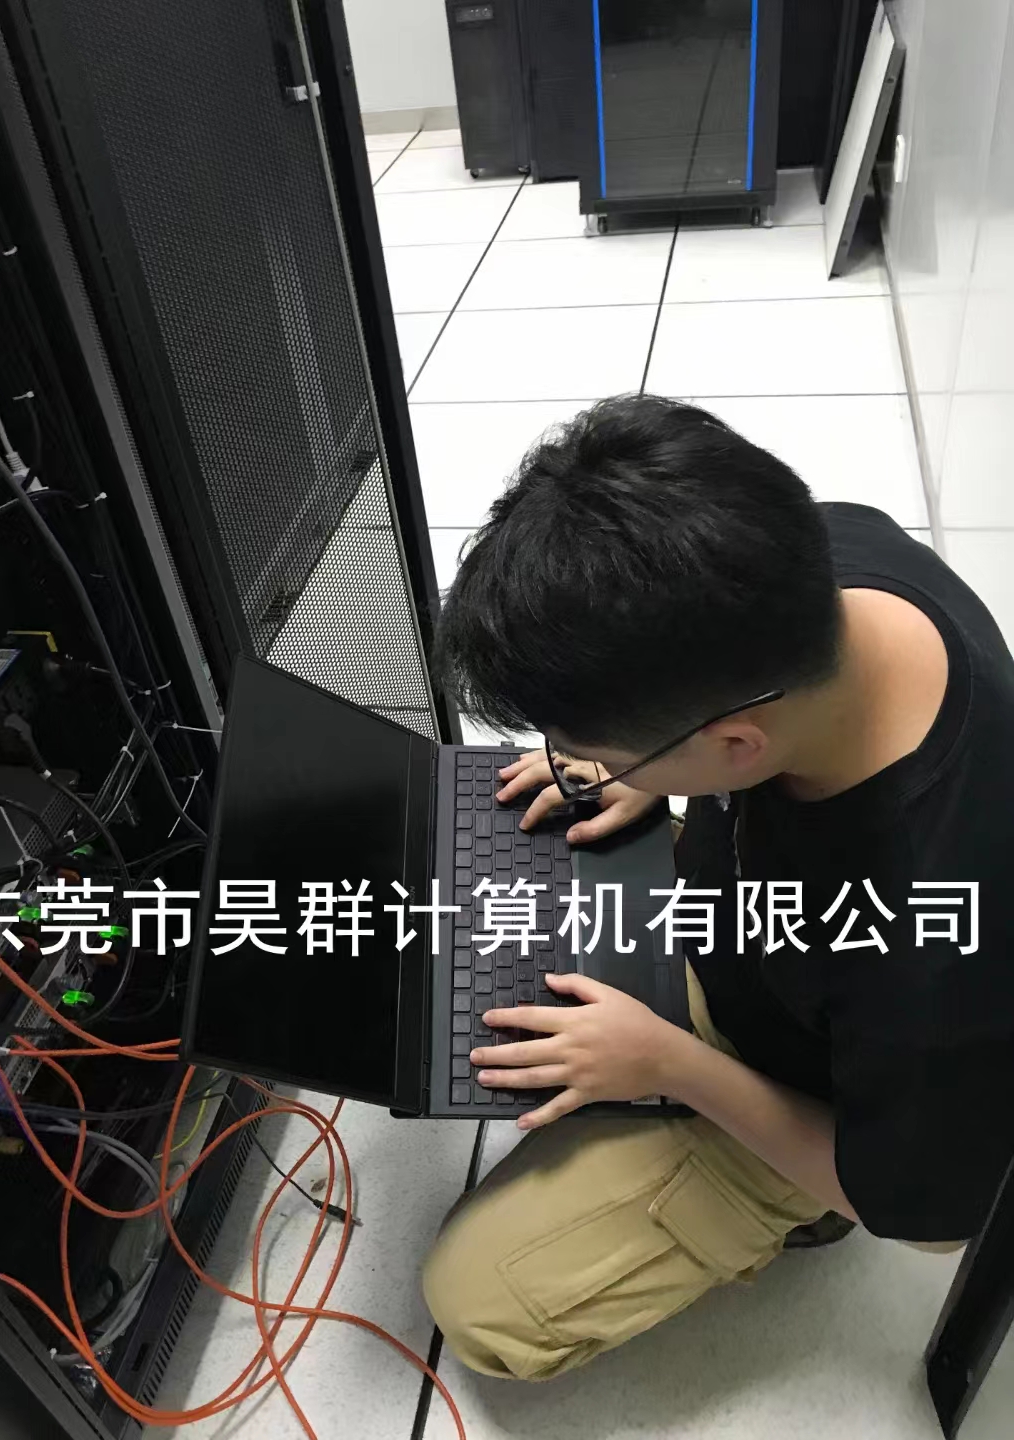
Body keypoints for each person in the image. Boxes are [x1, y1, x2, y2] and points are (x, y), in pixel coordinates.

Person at [419, 393, 1014, 1383]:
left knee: (477, 1304)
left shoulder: (938, 947)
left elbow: (923, 1218)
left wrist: (669, 1064)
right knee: (472, 892)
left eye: (596, 748)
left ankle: (783, 1210)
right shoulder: (827, 558)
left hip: (810, 1089)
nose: (577, 765)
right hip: (740, 904)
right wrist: (641, 772)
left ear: (737, 743)